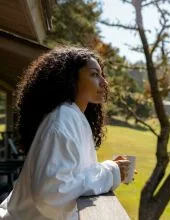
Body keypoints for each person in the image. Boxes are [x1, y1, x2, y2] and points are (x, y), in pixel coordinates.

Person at [0, 47, 131, 220]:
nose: (103, 82)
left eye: (102, 75)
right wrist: (109, 172)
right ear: (70, 79)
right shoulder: (62, 120)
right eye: (94, 74)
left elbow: (73, 175)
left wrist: (112, 169)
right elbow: (53, 192)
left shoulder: (72, 117)